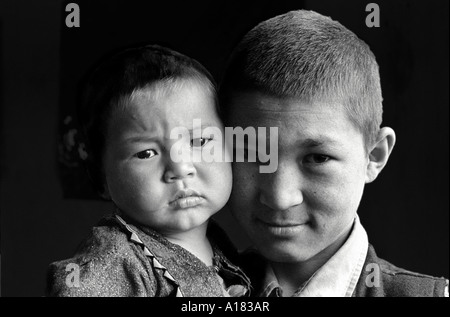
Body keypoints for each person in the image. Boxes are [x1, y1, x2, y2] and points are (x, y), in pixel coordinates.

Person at [219, 10, 448, 297]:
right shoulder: (186, 288)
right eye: (252, 152)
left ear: (374, 155)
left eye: (317, 158)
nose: (280, 196)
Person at [46, 45, 250, 297]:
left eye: (199, 142)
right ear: (100, 177)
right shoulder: (116, 262)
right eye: (146, 153)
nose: (180, 168)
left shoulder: (222, 248)